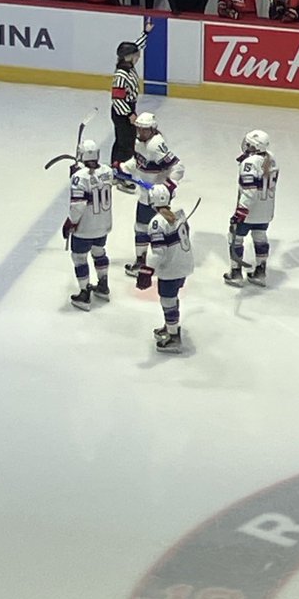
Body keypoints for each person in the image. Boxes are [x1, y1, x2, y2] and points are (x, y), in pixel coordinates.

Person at [118, 112, 185, 278]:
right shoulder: (139, 141)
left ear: (152, 129)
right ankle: (146, 260)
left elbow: (178, 167)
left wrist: (167, 187)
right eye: (139, 129)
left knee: (152, 228)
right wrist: (123, 168)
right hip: (145, 194)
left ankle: (155, 261)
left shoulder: (156, 144)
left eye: (144, 130)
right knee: (144, 227)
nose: (140, 132)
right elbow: (138, 161)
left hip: (157, 196)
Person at [136, 183, 194, 355]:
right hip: (184, 263)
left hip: (171, 267)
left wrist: (147, 270)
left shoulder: (156, 222)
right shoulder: (180, 213)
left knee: (167, 300)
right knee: (172, 297)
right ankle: (171, 326)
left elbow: (158, 251)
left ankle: (173, 335)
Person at [223, 129, 278, 288]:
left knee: (235, 238)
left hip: (250, 212)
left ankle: (236, 273)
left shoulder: (249, 163)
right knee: (260, 236)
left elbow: (250, 190)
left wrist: (241, 211)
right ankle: (260, 271)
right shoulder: (271, 158)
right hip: (266, 210)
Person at [64, 138, 114, 311]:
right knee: (99, 252)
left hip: (85, 227)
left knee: (79, 258)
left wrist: (70, 221)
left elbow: (78, 204)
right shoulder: (108, 171)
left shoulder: (80, 177)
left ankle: (84, 293)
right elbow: (97, 179)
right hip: (103, 224)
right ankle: (103, 285)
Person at [110, 24, 152, 192]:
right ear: (129, 57)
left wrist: (146, 33)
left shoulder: (127, 65)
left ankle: (115, 170)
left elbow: (137, 44)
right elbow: (117, 98)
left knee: (121, 141)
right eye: (136, 55)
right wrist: (130, 114)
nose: (139, 56)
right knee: (126, 144)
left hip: (126, 109)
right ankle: (122, 176)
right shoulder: (121, 74)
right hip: (123, 111)